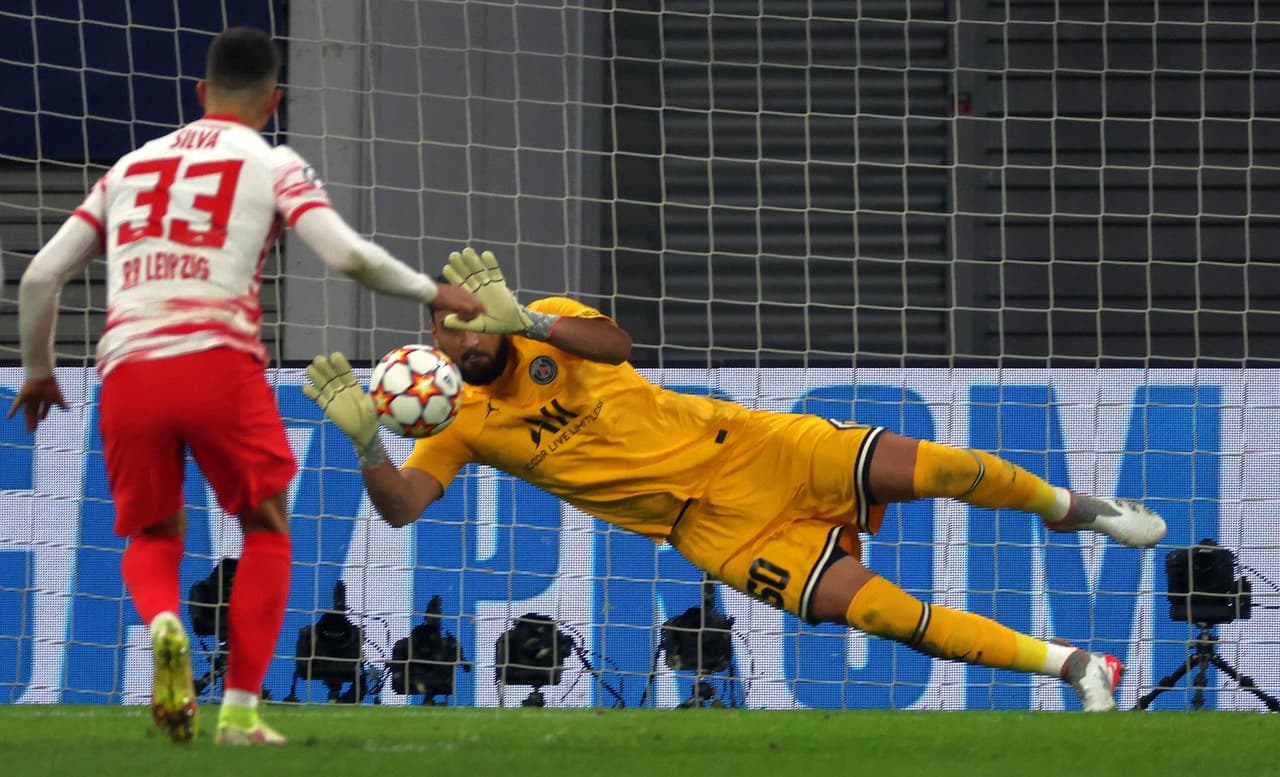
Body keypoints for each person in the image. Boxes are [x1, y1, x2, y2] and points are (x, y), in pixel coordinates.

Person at [303, 247, 1167, 712]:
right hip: (713, 531)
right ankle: (1079, 667)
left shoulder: (551, 324)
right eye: (447, 329)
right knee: (880, 613)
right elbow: (406, 509)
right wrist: (368, 448)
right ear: (436, 349)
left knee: (940, 465)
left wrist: (528, 317)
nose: (464, 336)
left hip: (752, 445)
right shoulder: (457, 425)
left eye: (471, 318)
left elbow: (618, 346)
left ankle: (1073, 508)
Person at [6, 27, 482, 744]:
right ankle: (237, 713)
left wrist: (40, 369)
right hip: (217, 364)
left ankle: (165, 624)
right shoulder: (270, 162)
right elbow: (347, 257)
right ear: (274, 100)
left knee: (152, 531)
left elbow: (41, 274)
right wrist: (431, 289)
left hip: (129, 366)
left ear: (201, 93)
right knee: (266, 528)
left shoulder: (131, 165)